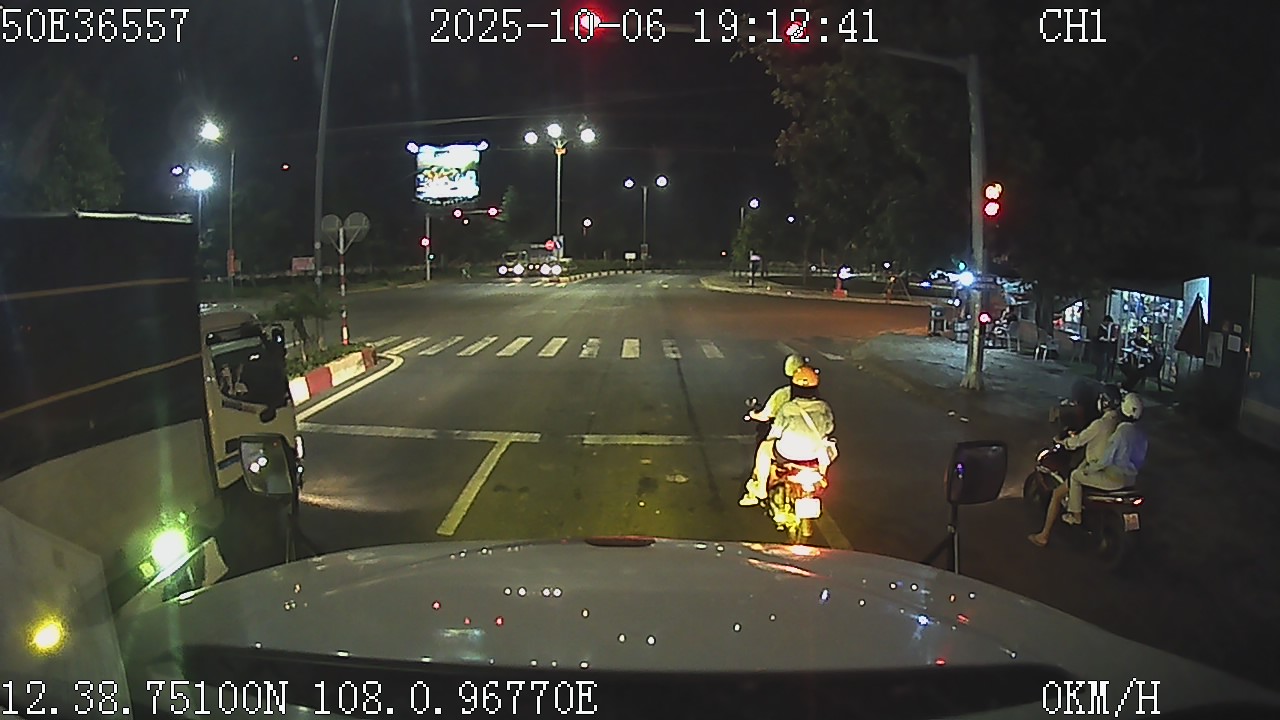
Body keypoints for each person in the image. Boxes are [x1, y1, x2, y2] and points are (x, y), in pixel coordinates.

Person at [1029, 391, 1145, 547]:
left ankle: (1049, 532)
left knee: (1065, 486)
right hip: (1130, 478)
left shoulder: (1104, 426)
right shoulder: (1127, 427)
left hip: (1109, 474)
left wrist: (1064, 443)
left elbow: (1089, 447)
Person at [740, 366, 835, 512]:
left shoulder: (787, 408)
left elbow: (775, 431)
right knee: (827, 447)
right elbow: (829, 429)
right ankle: (822, 476)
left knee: (764, 448)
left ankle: (761, 489)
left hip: (786, 453)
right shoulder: (824, 407)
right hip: (814, 456)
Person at [746, 353, 808, 443]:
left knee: (764, 444)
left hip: (787, 441)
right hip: (813, 443)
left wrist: (753, 414)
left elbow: (765, 416)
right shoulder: (818, 398)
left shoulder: (783, 394)